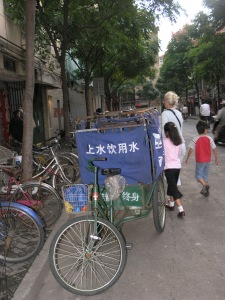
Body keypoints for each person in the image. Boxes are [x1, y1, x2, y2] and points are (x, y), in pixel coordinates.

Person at [185, 120, 219, 197]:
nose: (207, 130)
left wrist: (187, 158)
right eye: (207, 129)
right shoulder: (209, 138)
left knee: (198, 176)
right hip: (207, 160)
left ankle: (205, 186)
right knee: (205, 175)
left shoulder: (195, 139)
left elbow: (190, 150)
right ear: (204, 130)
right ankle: (204, 190)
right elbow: (214, 149)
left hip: (200, 160)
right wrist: (216, 158)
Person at [163, 122, 185, 218]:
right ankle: (171, 205)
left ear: (166, 132)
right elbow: (179, 154)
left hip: (169, 167)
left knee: (173, 188)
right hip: (177, 167)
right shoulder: (178, 141)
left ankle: (181, 210)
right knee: (172, 186)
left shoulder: (163, 141)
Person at [161, 91, 186, 163]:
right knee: (176, 170)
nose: (163, 102)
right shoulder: (178, 113)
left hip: (172, 147)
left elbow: (164, 132)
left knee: (169, 171)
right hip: (181, 144)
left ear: (168, 102)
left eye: (164, 100)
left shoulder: (165, 113)